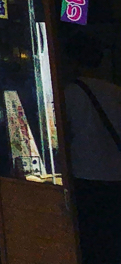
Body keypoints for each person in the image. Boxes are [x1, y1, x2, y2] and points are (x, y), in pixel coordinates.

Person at [65, 33, 121, 263]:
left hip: (86, 177)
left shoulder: (69, 93)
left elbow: (64, 136)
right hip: (116, 176)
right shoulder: (116, 91)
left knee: (92, 242)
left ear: (72, 60)